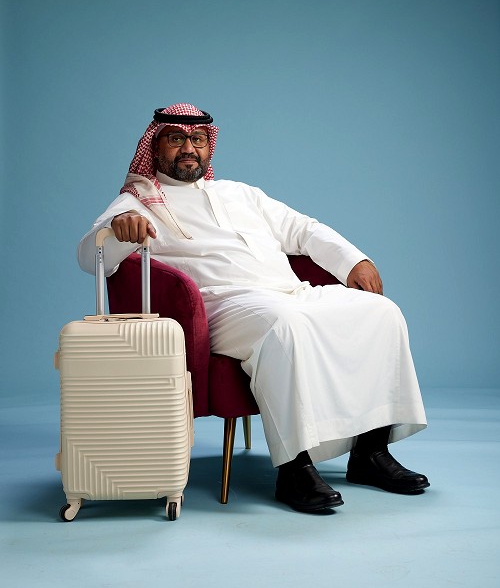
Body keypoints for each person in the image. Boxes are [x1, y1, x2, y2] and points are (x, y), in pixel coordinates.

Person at [78, 102, 429, 514]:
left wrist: (354, 261)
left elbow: (302, 229)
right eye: (176, 139)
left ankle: (370, 452)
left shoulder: (240, 193)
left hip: (289, 292)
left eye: (197, 140)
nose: (189, 148)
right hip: (223, 307)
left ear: (209, 147)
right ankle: (294, 468)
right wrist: (117, 231)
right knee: (283, 325)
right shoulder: (137, 202)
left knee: (381, 313)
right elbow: (89, 256)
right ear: (155, 148)